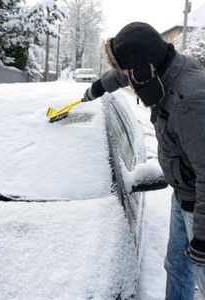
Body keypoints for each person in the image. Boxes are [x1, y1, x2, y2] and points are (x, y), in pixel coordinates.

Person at [82, 22, 205, 300]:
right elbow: (125, 76)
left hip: (199, 204)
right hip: (183, 194)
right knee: (176, 266)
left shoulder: (189, 101)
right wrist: (99, 87)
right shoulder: (163, 66)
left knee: (201, 274)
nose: (126, 78)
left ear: (144, 68)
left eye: (127, 72)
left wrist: (202, 238)